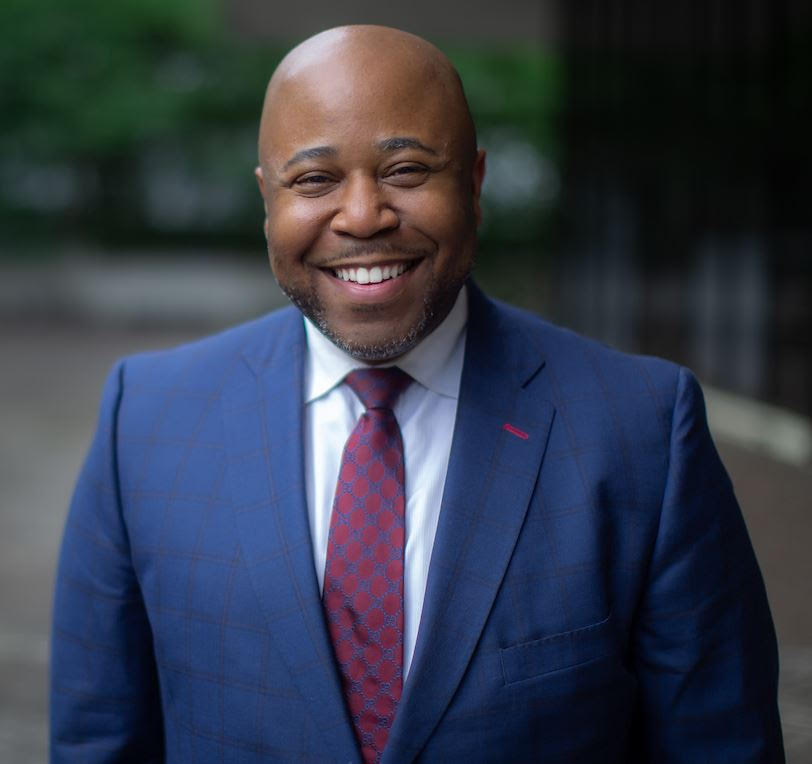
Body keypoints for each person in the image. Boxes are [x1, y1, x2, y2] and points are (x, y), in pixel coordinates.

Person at [50, 25, 784, 763]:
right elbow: (98, 744)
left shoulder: (643, 430)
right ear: (266, 199)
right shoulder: (144, 420)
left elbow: (720, 744)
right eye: (314, 180)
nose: (364, 216)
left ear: (474, 183)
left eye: (406, 170)